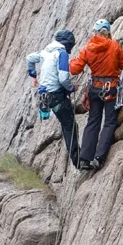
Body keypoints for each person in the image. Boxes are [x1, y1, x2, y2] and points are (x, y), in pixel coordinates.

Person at [69, 18, 123, 170]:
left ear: (95, 32)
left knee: (93, 120)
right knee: (109, 122)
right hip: (110, 88)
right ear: (107, 32)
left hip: (94, 88)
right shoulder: (114, 45)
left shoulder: (88, 48)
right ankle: (99, 158)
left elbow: (75, 69)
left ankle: (84, 158)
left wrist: (69, 62)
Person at [25, 29, 80, 167]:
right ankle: (79, 161)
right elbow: (62, 77)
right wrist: (72, 87)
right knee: (70, 126)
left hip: (45, 96)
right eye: (70, 46)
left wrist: (33, 76)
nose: (70, 50)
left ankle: (77, 158)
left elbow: (29, 58)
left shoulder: (45, 52)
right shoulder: (61, 54)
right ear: (66, 44)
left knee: (67, 124)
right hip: (57, 95)